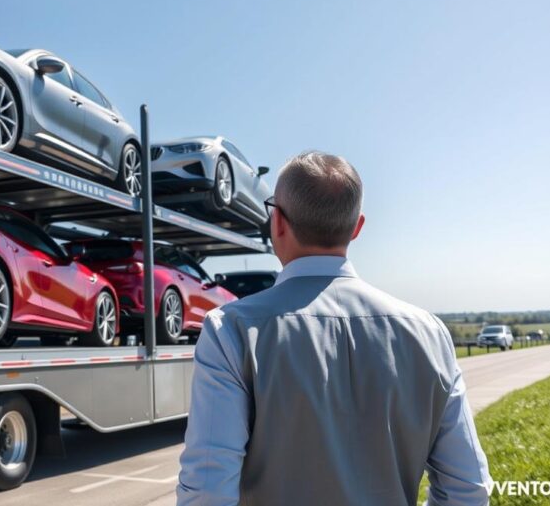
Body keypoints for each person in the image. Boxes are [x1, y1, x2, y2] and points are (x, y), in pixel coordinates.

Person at [177, 151, 491, 506]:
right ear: (357, 227)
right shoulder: (429, 333)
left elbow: (207, 493)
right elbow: (468, 489)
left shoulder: (230, 330)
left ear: (277, 222)